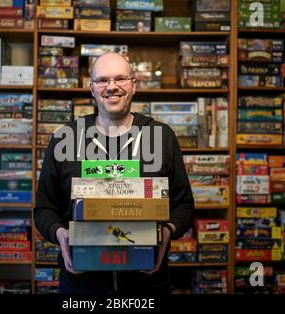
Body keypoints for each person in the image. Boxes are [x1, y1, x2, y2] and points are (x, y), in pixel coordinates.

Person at [34, 52, 194, 294]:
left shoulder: (162, 137)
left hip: (147, 282)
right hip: (82, 283)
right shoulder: (64, 138)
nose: (112, 87)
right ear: (92, 88)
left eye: (120, 78)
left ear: (134, 85)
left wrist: (168, 231)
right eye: (102, 80)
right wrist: (60, 234)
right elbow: (44, 208)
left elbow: (184, 205)